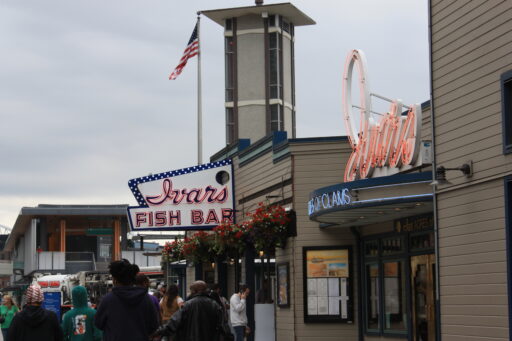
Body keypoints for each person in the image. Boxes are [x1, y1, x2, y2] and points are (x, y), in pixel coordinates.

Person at [94, 259, 159, 341]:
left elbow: (98, 324)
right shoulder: (146, 298)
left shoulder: (108, 300)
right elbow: (154, 326)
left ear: (114, 280)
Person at [151, 281, 226, 341]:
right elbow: (222, 325)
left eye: (191, 290)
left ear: (194, 291)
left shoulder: (187, 305)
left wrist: (157, 332)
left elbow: (173, 323)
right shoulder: (215, 305)